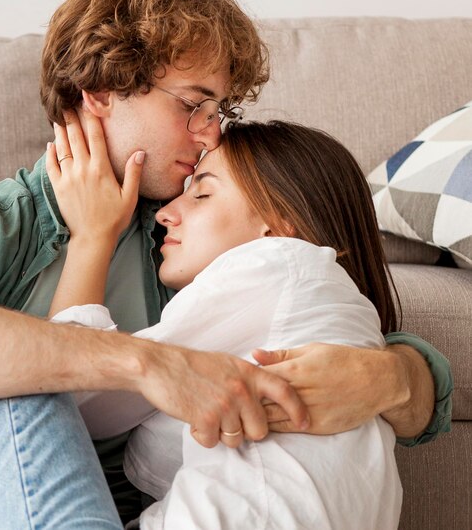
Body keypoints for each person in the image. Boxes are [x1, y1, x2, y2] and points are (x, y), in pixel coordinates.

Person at [0, 0, 451, 529]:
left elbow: (331, 317)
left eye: (219, 108)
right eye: (193, 104)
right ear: (101, 90)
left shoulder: (186, 227)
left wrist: (390, 376)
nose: (212, 130)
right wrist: (151, 364)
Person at [44, 119, 404, 528]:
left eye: (202, 193)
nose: (165, 213)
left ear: (279, 222)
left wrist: (91, 236)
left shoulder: (276, 264)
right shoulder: (328, 306)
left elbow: (76, 399)